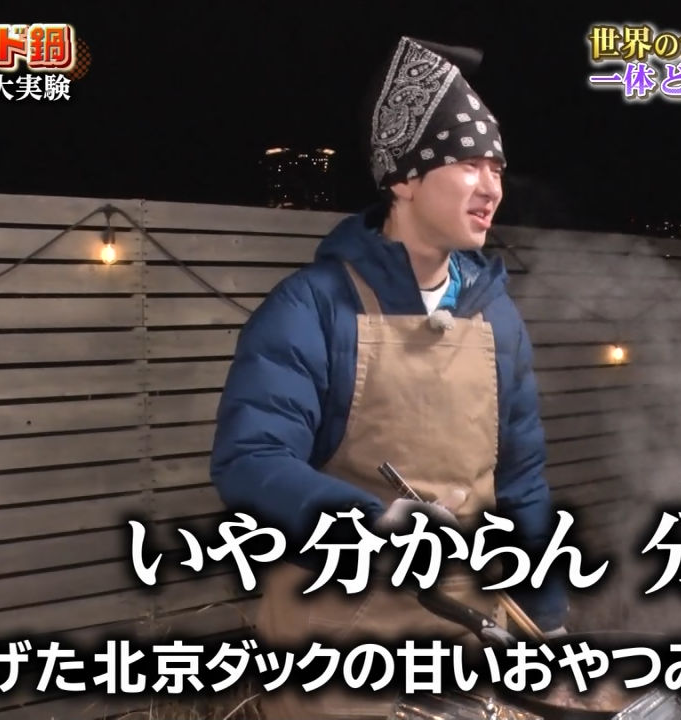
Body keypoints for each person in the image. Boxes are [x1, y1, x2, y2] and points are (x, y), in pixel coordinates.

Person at [210, 36, 568, 719]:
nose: (492, 187)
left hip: (467, 646)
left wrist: (547, 618)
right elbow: (250, 460)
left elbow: (522, 480)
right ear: (403, 179)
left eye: (497, 166)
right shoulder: (312, 307)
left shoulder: (498, 319)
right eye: (468, 163)